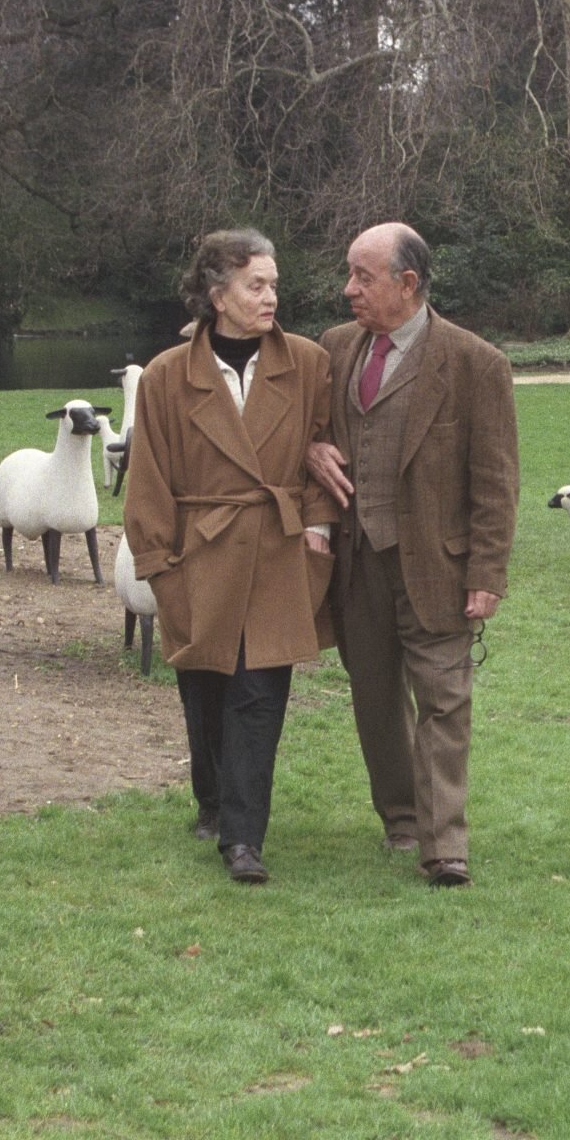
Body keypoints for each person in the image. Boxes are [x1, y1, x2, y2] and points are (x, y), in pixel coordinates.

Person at [122, 229, 338, 884]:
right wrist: (160, 562)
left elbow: (326, 449)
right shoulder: (165, 376)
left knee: (259, 692)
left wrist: (320, 528)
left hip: (277, 548)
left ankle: (243, 838)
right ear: (217, 294)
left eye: (274, 284)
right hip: (200, 552)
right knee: (206, 689)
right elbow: (149, 476)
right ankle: (212, 800)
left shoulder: (305, 363)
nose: (272, 296)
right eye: (257, 285)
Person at [307, 222, 518, 887]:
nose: (349, 290)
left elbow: (496, 479)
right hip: (357, 561)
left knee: (444, 698)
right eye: (349, 274)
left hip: (437, 564)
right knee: (374, 698)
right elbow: (309, 430)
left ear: (407, 283)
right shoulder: (335, 349)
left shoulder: (474, 362)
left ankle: (443, 845)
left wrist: (486, 573)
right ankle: (400, 818)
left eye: (362, 277)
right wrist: (313, 448)